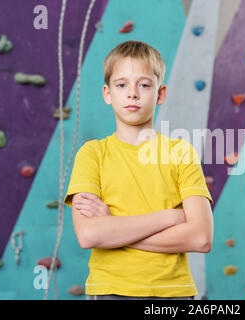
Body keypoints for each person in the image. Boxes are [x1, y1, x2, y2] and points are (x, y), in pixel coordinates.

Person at [63, 40, 214, 300]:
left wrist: (112, 227)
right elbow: (89, 235)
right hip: (110, 290)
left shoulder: (180, 153)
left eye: (144, 85)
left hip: (173, 293)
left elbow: (200, 238)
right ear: (107, 94)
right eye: (122, 85)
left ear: (161, 93)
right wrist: (169, 218)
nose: (132, 93)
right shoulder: (92, 154)